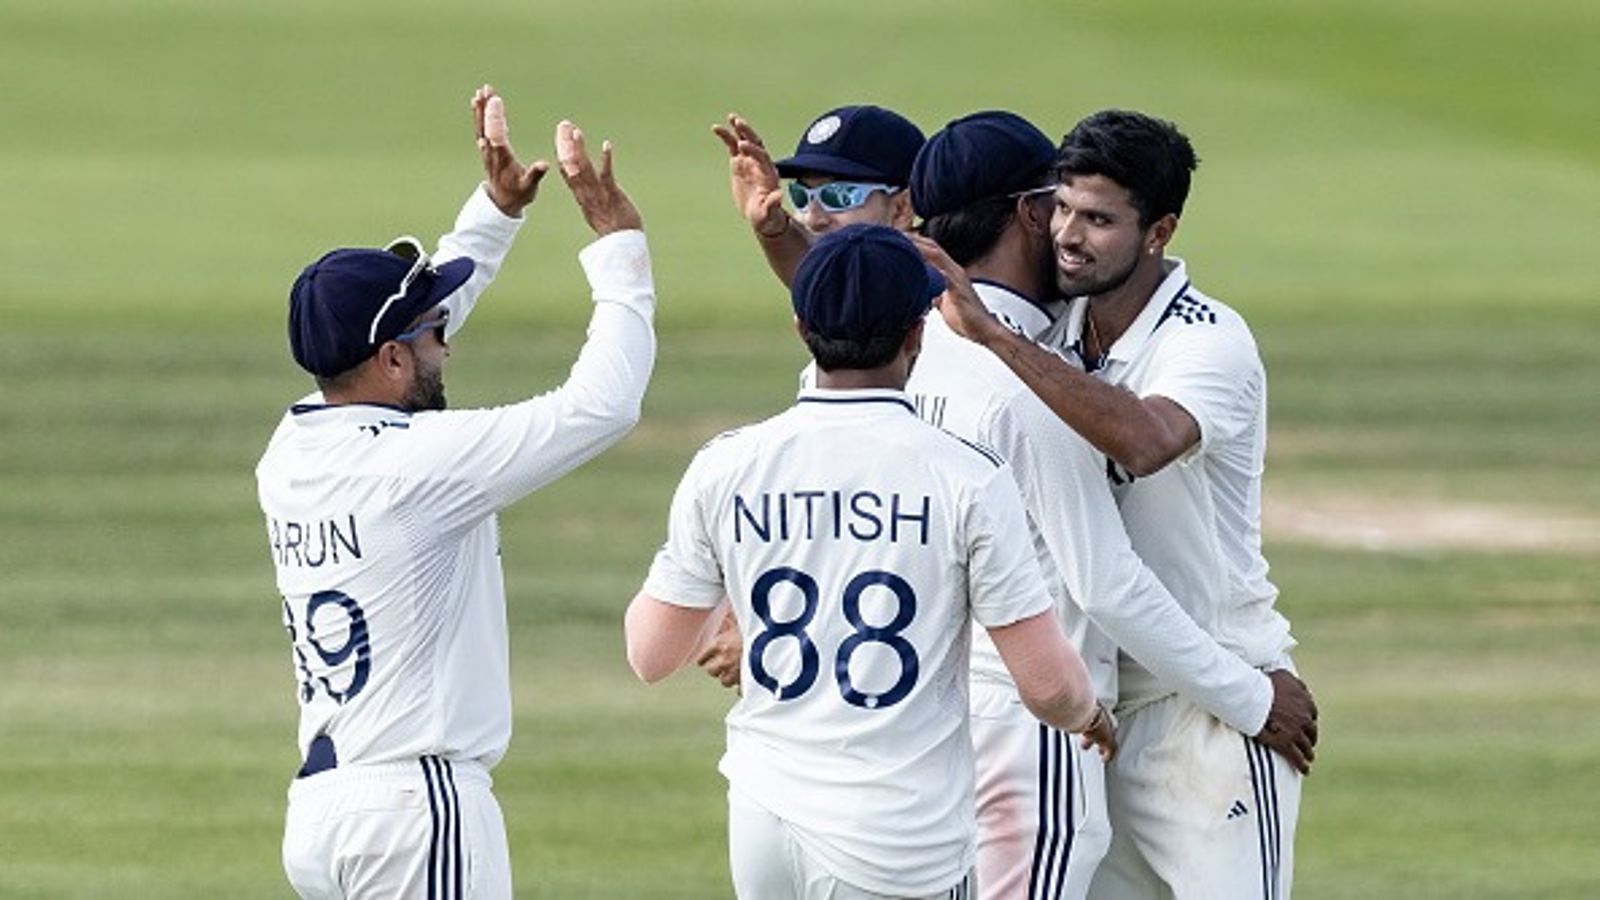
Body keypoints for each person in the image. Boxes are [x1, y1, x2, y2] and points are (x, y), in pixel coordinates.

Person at [624, 224, 1115, 899]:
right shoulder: (966, 477)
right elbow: (1049, 686)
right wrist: (1090, 717)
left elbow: (651, 654)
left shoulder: (726, 465)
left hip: (765, 820)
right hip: (901, 836)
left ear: (802, 327)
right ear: (917, 332)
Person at [257, 86, 656, 899]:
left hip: (327, 812)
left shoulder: (292, 446)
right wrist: (621, 249)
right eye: (432, 331)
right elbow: (601, 405)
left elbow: (408, 346)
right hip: (415, 808)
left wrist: (496, 212)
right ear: (394, 360)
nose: (449, 341)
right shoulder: (417, 468)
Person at [919, 109, 1316, 899]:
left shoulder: (1208, 341)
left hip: (1209, 709)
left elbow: (1145, 440)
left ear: (1160, 229)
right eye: (1062, 208)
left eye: (1099, 219)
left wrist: (997, 339)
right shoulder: (1062, 326)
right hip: (1096, 714)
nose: (1069, 234)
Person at [711, 104, 924, 287]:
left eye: (838, 197)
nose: (812, 219)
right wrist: (773, 229)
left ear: (901, 209)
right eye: (801, 195)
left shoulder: (939, 302)